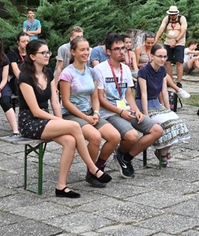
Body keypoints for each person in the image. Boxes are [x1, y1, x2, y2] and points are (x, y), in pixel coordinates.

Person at [18, 40, 112, 197]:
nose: (47, 55)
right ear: (32, 56)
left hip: (46, 120)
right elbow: (35, 111)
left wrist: (60, 120)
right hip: (30, 122)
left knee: (70, 141)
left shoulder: (48, 73)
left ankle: (61, 186)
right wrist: (61, 122)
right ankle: (93, 168)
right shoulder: (25, 78)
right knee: (73, 126)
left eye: (48, 52)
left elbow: (55, 102)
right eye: (43, 53)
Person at [96, 34, 163, 178]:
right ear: (108, 52)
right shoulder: (100, 69)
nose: (122, 52)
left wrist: (137, 111)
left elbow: (128, 95)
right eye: (117, 49)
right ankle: (108, 161)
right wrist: (120, 112)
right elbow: (100, 99)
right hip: (109, 112)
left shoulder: (126, 69)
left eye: (123, 48)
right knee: (132, 136)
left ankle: (124, 157)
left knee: (157, 130)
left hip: (126, 109)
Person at [59, 37, 121, 182]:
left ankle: (97, 166)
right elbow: (66, 102)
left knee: (115, 137)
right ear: (73, 52)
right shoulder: (67, 73)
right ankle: (92, 172)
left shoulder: (92, 72)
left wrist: (96, 113)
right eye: (82, 50)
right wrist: (85, 118)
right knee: (95, 137)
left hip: (89, 112)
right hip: (71, 115)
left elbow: (95, 98)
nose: (86, 52)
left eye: (87, 49)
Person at [136, 44, 190, 166]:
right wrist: (146, 115)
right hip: (144, 104)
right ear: (152, 56)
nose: (162, 59)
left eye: (165, 57)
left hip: (156, 103)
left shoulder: (163, 69)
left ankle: (162, 151)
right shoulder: (144, 70)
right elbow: (143, 94)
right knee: (167, 124)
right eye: (159, 56)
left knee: (178, 123)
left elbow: (164, 91)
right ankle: (162, 153)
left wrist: (168, 109)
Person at [154, 6, 187, 85]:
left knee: (179, 62)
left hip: (179, 42)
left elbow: (183, 31)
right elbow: (161, 28)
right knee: (167, 61)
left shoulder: (182, 19)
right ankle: (170, 80)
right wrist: (156, 38)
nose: (172, 16)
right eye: (170, 15)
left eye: (173, 15)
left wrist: (176, 41)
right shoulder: (167, 19)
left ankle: (179, 81)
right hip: (168, 42)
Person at [8, 31, 31, 95]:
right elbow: (15, 70)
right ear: (18, 42)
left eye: (28, 41)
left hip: (31, 77)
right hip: (18, 78)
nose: (26, 43)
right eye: (23, 41)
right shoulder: (13, 53)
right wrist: (25, 81)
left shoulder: (31, 52)